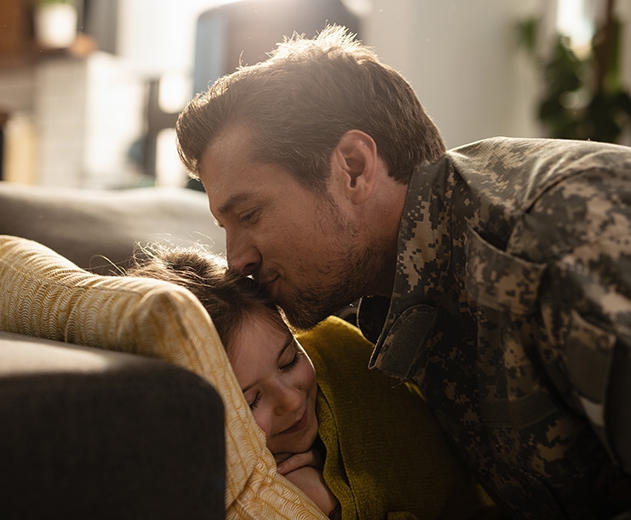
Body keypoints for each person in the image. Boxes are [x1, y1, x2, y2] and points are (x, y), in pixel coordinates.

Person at [174, 25, 631, 519]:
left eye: (250, 215)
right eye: (224, 226)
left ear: (352, 167)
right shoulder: (374, 291)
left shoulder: (557, 240)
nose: (236, 258)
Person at [126, 244, 495, 519]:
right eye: (252, 400)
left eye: (289, 360)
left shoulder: (341, 350)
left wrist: (338, 491)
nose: (289, 400)